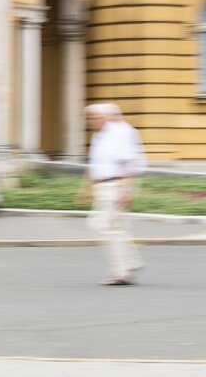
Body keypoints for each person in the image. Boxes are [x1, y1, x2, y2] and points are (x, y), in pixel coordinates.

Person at [78, 103, 146, 285]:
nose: (88, 121)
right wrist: (85, 187)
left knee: (99, 225)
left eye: (92, 117)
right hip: (104, 187)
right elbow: (94, 163)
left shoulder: (120, 133)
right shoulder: (98, 135)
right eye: (87, 117)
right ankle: (130, 264)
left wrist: (126, 191)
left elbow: (129, 163)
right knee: (117, 228)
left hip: (116, 185)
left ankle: (121, 271)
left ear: (104, 117)